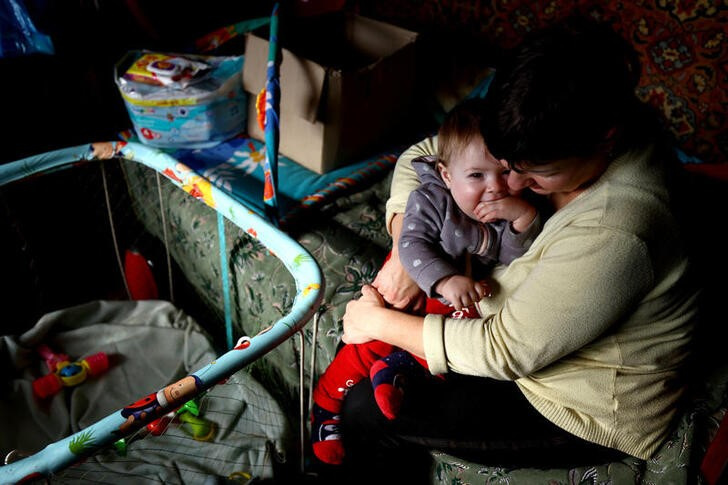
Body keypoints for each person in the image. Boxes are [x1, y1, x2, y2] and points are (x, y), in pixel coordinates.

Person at [336, 16, 699, 483]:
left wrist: (376, 321)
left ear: (606, 137)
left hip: (573, 401)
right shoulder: (537, 129)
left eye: (535, 175)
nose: (511, 185)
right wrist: (405, 245)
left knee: (367, 409)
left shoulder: (621, 228)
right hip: (505, 322)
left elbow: (506, 351)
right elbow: (427, 155)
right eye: (506, 165)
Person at [310, 99, 541, 467]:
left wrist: (522, 219)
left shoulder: (503, 203)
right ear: (448, 175)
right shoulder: (432, 198)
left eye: (502, 172)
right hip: (420, 275)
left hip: (457, 297)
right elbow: (412, 244)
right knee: (370, 343)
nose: (495, 187)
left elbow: (511, 254)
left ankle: (400, 365)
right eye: (477, 176)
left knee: (454, 338)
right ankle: (325, 403)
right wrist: (444, 280)